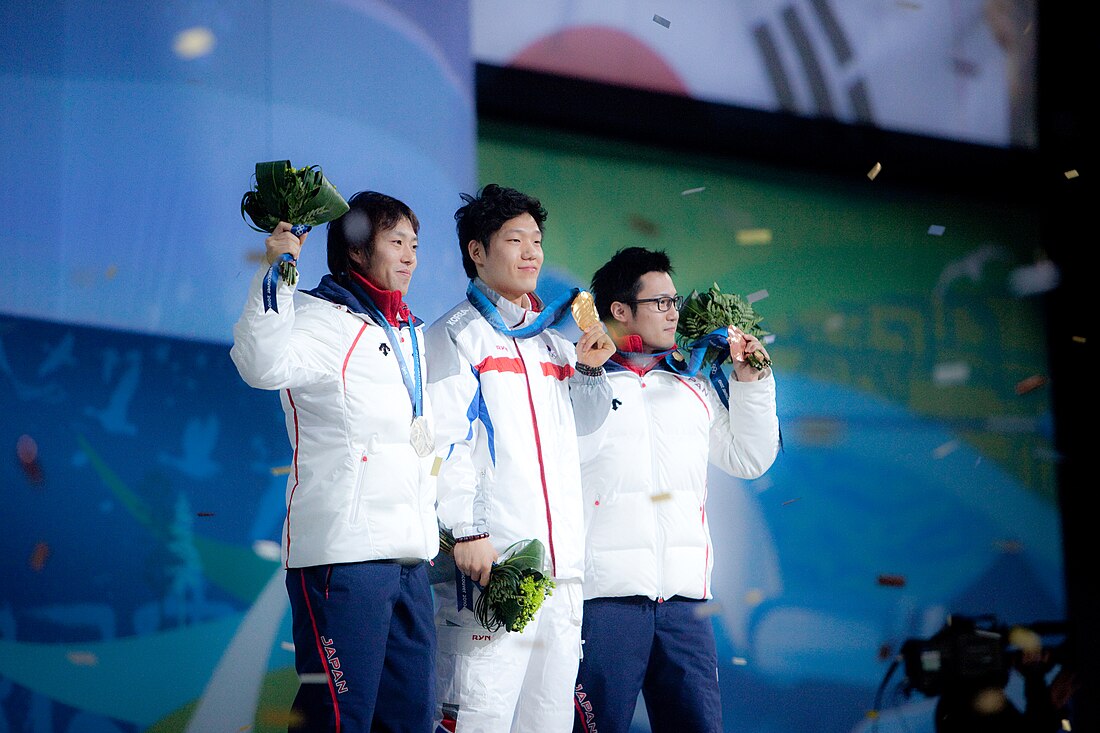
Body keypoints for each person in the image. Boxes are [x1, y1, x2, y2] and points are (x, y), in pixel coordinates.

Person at [230, 191, 439, 732]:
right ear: (355, 252)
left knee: (411, 721)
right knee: (337, 719)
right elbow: (259, 362)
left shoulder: (410, 333)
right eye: (396, 242)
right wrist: (278, 268)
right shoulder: (321, 320)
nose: (411, 257)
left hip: (409, 558)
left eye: (414, 244)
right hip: (345, 557)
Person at [425, 183, 616, 733]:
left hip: (560, 579)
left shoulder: (554, 344)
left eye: (536, 239)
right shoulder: (456, 337)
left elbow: (586, 440)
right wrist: (468, 529)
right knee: (480, 715)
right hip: (495, 569)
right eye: (515, 239)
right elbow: (446, 443)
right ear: (477, 251)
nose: (532, 251)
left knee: (548, 723)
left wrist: (592, 372)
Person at [572, 246, 781, 733]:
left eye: (675, 300)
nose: (674, 313)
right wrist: (586, 377)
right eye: (660, 302)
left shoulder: (693, 386)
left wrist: (752, 383)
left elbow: (749, 458)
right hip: (605, 600)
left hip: (686, 605)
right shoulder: (578, 379)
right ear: (620, 311)